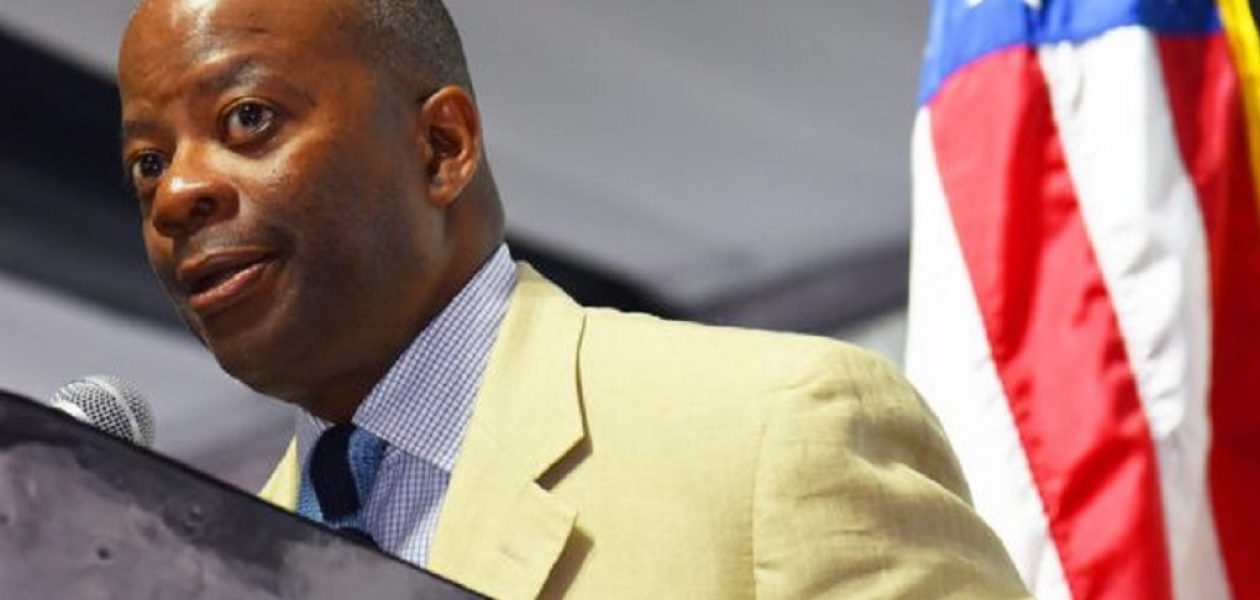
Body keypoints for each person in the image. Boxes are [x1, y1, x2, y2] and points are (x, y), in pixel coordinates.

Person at [116, 0, 1030, 597]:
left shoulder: (777, 433)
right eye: (148, 163)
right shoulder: (192, 569)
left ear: (441, 147)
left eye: (248, 119)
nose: (177, 193)